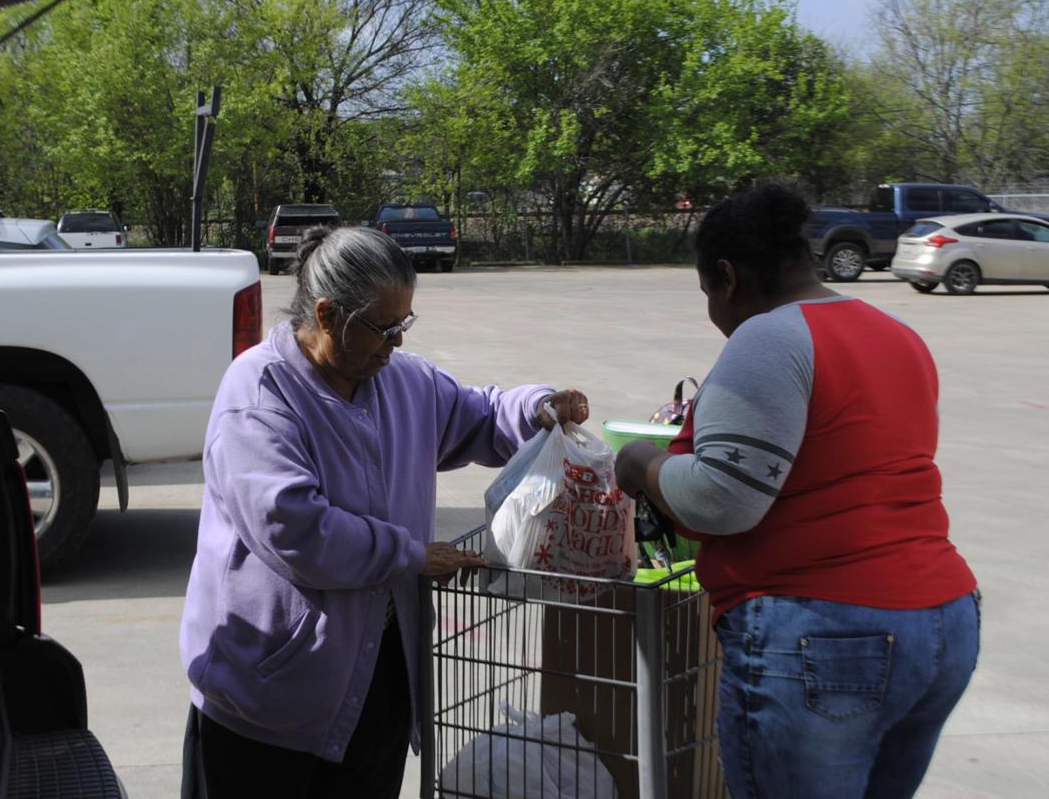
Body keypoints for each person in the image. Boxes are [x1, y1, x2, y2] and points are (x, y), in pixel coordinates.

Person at [179, 225, 589, 798]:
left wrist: (539, 407)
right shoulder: (259, 394)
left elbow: (478, 414)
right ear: (326, 315)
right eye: (381, 328)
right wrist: (412, 555)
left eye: (404, 325)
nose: (395, 343)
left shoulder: (402, 381)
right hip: (270, 698)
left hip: (376, 684)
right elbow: (295, 528)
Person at [615, 184, 978, 799]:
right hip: (941, 624)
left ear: (727, 276)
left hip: (827, 633)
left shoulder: (769, 338)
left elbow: (720, 500)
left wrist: (642, 464)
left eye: (708, 293)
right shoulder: (894, 334)